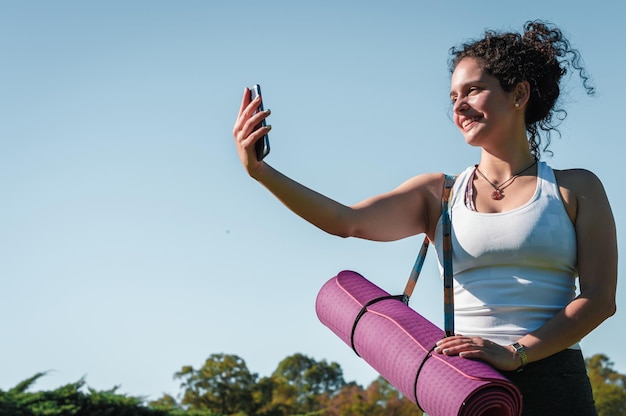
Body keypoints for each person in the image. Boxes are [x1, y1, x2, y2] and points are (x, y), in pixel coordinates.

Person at [232, 20, 617, 415]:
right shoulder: (439, 193)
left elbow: (599, 300)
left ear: (518, 94)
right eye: (452, 97)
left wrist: (515, 353)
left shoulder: (577, 188)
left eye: (472, 90)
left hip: (557, 386)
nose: (459, 106)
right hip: (468, 386)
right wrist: (262, 173)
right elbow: (345, 220)